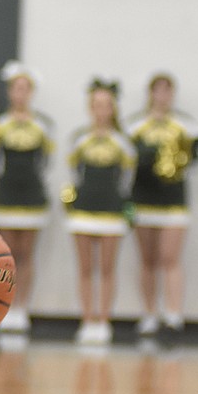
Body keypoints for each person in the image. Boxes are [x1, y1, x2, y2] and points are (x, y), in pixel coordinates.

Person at [126, 73, 198, 342]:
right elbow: (128, 161)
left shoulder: (184, 125)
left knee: (170, 257)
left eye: (167, 91)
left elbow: (193, 160)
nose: (162, 97)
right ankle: (149, 314)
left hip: (174, 201)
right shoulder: (136, 125)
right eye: (158, 91)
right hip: (143, 199)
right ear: (150, 93)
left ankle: (174, 315)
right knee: (147, 259)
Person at [64, 78, 135, 346]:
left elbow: (128, 177)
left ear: (114, 108)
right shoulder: (79, 139)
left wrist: (122, 205)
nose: (102, 110)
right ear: (90, 107)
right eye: (97, 104)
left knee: (106, 268)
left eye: (107, 105)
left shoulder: (122, 142)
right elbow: (73, 175)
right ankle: (86, 319)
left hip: (111, 209)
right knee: (85, 267)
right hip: (84, 208)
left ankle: (104, 320)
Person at [0, 60, 54, 334]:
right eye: (16, 88)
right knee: (6, 254)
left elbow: (48, 161)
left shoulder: (43, 126)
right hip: (6, 193)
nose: (21, 94)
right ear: (9, 92)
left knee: (26, 253)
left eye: (26, 89)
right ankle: (4, 304)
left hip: (32, 194)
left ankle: (22, 307)